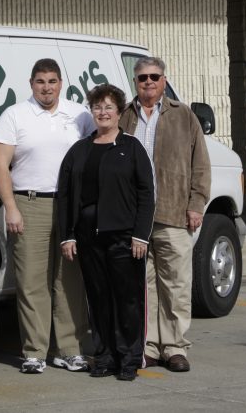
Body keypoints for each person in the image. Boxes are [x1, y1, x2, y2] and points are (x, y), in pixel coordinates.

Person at [0, 58, 94, 374]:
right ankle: (34, 352)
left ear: (61, 83)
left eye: (51, 81)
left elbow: (94, 155)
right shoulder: (14, 116)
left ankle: (69, 350)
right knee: (31, 281)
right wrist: (11, 207)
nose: (46, 87)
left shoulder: (80, 115)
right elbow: (0, 165)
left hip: (69, 206)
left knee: (69, 280)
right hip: (30, 203)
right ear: (31, 83)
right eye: (40, 81)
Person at [57, 84, 155, 382]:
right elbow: (66, 196)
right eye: (98, 107)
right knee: (98, 299)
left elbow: (146, 193)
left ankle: (128, 358)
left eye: (108, 107)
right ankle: (104, 357)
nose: (103, 112)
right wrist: (68, 234)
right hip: (88, 238)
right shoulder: (79, 150)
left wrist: (140, 235)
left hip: (124, 238)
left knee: (127, 299)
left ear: (119, 112)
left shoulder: (132, 147)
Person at [119, 57, 210, 373]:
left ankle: (174, 347)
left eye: (154, 76)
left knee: (176, 285)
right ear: (135, 81)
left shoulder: (183, 115)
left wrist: (196, 203)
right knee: (144, 287)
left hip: (172, 215)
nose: (148, 82)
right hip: (135, 221)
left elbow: (200, 163)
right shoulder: (124, 117)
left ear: (163, 79)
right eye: (142, 77)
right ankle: (148, 346)